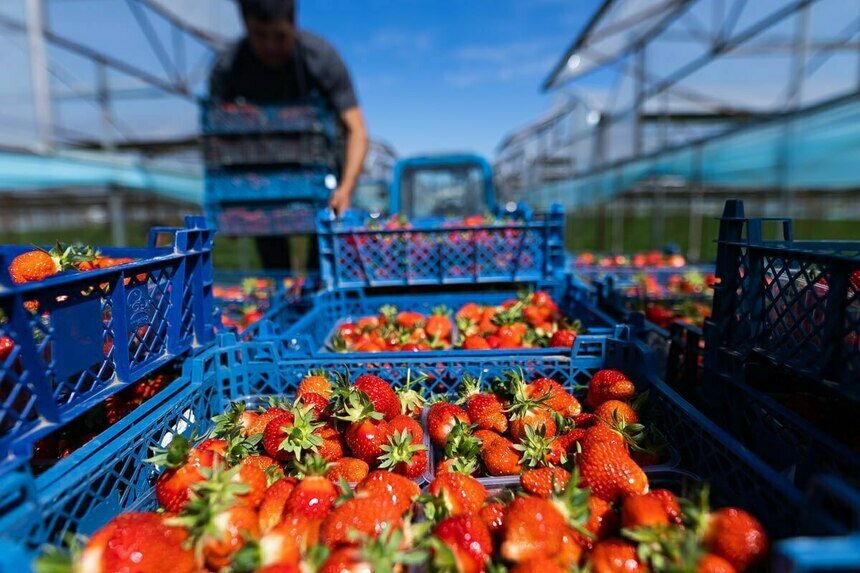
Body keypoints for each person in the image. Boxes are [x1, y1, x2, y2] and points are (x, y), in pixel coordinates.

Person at [209, 0, 369, 270]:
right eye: (260, 35)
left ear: (293, 26)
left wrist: (346, 187)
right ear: (246, 27)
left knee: (322, 266)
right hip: (262, 181)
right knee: (275, 269)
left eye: (280, 36)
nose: (271, 46)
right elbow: (218, 136)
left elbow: (357, 130)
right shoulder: (229, 67)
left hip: (320, 176)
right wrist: (229, 199)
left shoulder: (320, 58)